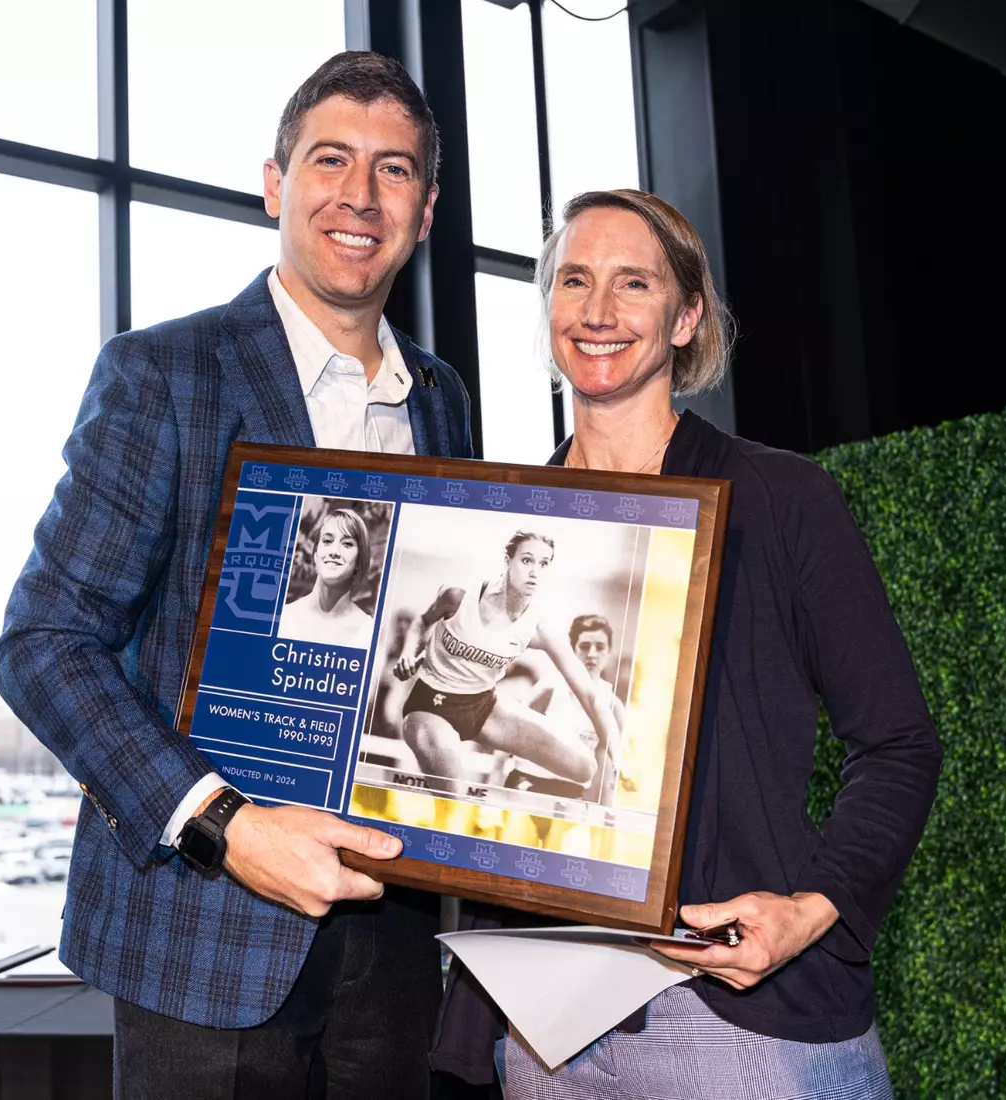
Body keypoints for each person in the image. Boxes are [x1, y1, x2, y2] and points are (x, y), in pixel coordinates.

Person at [0, 52, 472, 1100]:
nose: (359, 193)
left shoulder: (440, 397)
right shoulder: (166, 373)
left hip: (391, 942)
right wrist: (224, 825)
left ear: (426, 211)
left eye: (394, 171)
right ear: (275, 182)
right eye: (330, 159)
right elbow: (42, 643)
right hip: (203, 937)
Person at [432, 189, 943, 1098]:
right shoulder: (494, 521)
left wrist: (807, 912)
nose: (597, 312)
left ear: (686, 316)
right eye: (574, 280)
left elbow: (900, 744)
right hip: (544, 1029)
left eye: (634, 283)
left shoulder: (784, 500)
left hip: (738, 1014)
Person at [391, 532, 620, 794]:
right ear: (508, 560)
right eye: (527, 560)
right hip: (430, 705)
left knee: (584, 767)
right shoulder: (459, 596)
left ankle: (520, 780)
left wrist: (615, 753)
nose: (535, 571)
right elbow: (420, 622)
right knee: (454, 794)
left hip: (482, 706)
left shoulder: (539, 625)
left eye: (544, 564)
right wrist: (409, 653)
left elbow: (589, 695)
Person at [503, 613, 627, 805]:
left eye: (600, 647)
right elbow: (508, 739)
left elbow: (606, 768)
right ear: (572, 650)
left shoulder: (613, 706)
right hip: (527, 783)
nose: (592, 654)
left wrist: (605, 813)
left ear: (609, 652)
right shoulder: (548, 688)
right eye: (584, 646)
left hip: (571, 793)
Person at [278, 506, 377, 649]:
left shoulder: (367, 632)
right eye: (327, 541)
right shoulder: (283, 617)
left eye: (347, 544)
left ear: (359, 561)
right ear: (315, 554)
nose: (334, 552)